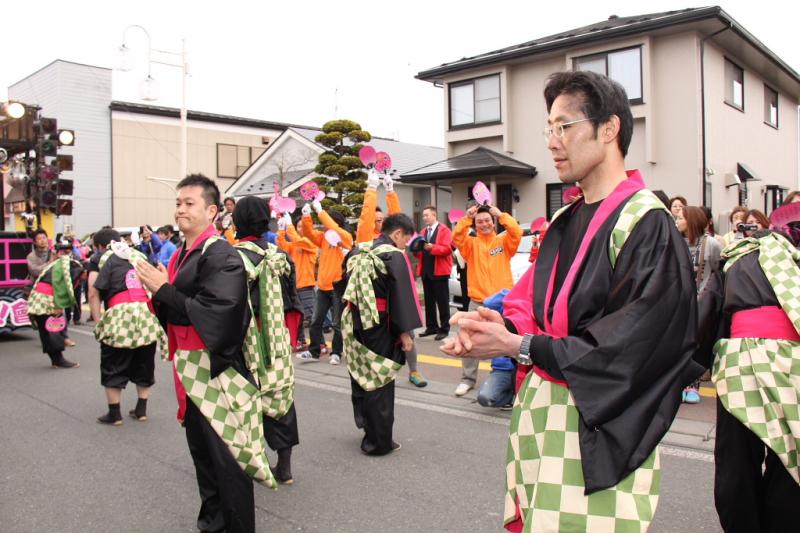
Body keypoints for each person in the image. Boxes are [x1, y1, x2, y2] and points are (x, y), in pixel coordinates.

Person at [442, 71, 701, 532]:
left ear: (609, 128)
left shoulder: (647, 222)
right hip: (544, 408)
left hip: (598, 424)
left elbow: (631, 347)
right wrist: (489, 323)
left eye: (564, 126)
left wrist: (516, 346)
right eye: (549, 128)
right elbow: (532, 301)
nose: (552, 141)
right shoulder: (567, 215)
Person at [135, 174, 273, 533]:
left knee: (228, 458)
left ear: (212, 211)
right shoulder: (183, 252)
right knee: (204, 455)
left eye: (189, 203)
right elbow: (176, 308)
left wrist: (163, 290)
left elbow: (220, 313)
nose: (180, 208)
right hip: (189, 363)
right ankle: (212, 523)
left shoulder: (222, 253)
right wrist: (161, 292)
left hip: (215, 368)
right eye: (178, 202)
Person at [711, 226, 800, 531]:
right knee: (789, 462)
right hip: (793, 365)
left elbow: (708, 312)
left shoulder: (738, 255)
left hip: (739, 361)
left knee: (736, 462)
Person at [233, 197, 301, 485]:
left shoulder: (232, 257)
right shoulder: (280, 256)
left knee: (244, 398)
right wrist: (291, 338)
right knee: (281, 398)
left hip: (246, 337)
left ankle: (248, 463)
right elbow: (293, 301)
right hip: (279, 334)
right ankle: (284, 467)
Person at [342, 213, 422, 455]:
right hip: (380, 322)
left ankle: (366, 425)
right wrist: (405, 333)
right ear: (397, 234)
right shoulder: (393, 255)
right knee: (380, 378)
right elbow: (401, 297)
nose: (404, 245)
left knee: (361, 372)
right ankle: (378, 442)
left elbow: (341, 284)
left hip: (356, 320)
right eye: (405, 240)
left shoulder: (358, 251)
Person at [90, 228, 165, 426]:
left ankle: (115, 414)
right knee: (144, 360)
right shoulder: (139, 255)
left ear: (99, 246)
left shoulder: (101, 258)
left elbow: (93, 292)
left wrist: (99, 323)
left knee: (113, 361)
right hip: (145, 313)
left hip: (119, 315)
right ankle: (141, 410)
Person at [451, 203, 522, 396]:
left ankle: (502, 378)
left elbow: (516, 232)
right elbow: (456, 237)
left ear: (493, 223)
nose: (484, 224)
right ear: (475, 224)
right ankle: (467, 379)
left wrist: (500, 214)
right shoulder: (470, 244)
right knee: (467, 338)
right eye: (480, 222)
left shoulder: (503, 242)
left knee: (506, 342)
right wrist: (466, 218)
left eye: (487, 221)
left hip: (501, 303)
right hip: (478, 302)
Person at [675, 205, 722, 404]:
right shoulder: (676, 241)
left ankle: (693, 385)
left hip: (701, 300)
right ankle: (678, 384)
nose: (676, 221)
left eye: (680, 218)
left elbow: (718, 272)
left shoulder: (710, 244)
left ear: (691, 220)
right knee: (677, 344)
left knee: (696, 344)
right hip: (679, 301)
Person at [300, 199, 353, 364]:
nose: (322, 225)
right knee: (316, 321)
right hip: (322, 286)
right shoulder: (324, 238)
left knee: (337, 323)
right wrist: (306, 216)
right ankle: (314, 351)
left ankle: (336, 352)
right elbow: (308, 233)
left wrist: (321, 212)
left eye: (325, 222)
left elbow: (334, 228)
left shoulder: (345, 237)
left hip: (338, 286)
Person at [26, 238, 84, 368]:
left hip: (39, 297)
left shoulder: (58, 264)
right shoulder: (70, 266)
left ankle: (56, 360)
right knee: (53, 330)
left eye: (68, 251)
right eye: (64, 251)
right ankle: (58, 360)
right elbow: (60, 286)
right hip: (47, 298)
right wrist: (58, 305)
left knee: (46, 330)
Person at [276, 214, 319, 353]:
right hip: (296, 285)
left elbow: (297, 240)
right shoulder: (297, 243)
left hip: (306, 285)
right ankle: (301, 341)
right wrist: (281, 230)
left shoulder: (311, 243)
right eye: (298, 226)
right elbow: (282, 245)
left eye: (303, 226)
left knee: (312, 316)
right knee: (299, 316)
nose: (301, 229)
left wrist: (289, 227)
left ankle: (319, 344)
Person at [416, 206, 453, 341]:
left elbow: (448, 249)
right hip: (426, 271)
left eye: (427, 215)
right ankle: (431, 327)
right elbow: (419, 252)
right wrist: (415, 248)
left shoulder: (445, 230)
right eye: (424, 216)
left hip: (440, 271)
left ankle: (444, 328)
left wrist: (432, 248)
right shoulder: (423, 231)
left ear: (434, 215)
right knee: (429, 301)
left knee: (442, 302)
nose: (424, 217)